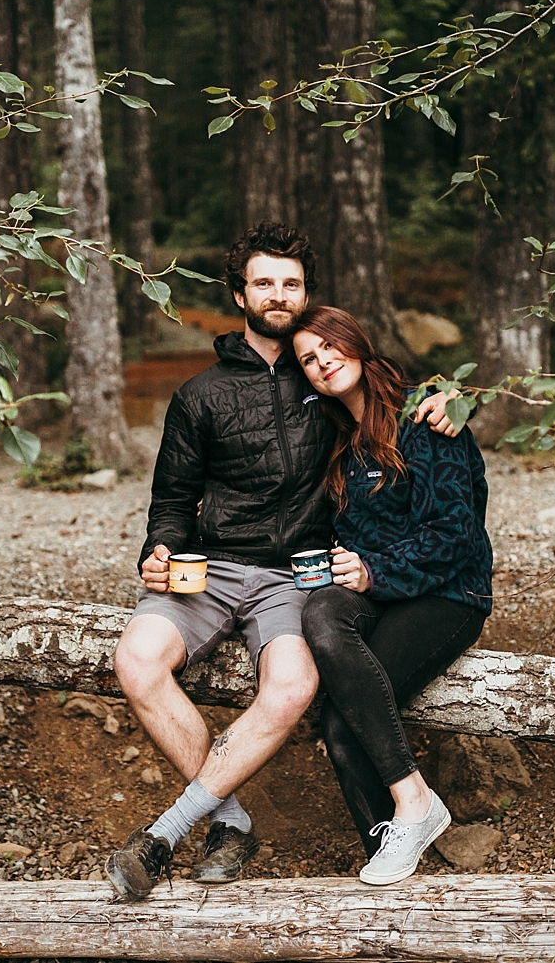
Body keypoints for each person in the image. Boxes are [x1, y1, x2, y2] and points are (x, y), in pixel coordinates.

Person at [104, 223, 455, 901]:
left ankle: (165, 833)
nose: (277, 294)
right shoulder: (200, 395)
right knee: (135, 659)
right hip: (208, 568)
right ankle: (229, 820)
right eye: (263, 282)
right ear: (239, 293)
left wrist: (450, 401)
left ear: (304, 293)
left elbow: (398, 401)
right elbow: (172, 500)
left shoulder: (327, 374)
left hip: (298, 575)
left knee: (292, 688)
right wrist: (160, 550)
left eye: (290, 283)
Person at [290, 305, 492, 886]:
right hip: (380, 592)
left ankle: (412, 814)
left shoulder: (427, 415)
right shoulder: (338, 441)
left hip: (450, 594)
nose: (322, 361)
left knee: (339, 727)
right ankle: (408, 822)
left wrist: (375, 571)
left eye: (329, 346)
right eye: (308, 358)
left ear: (356, 343)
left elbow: (456, 536)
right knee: (322, 609)